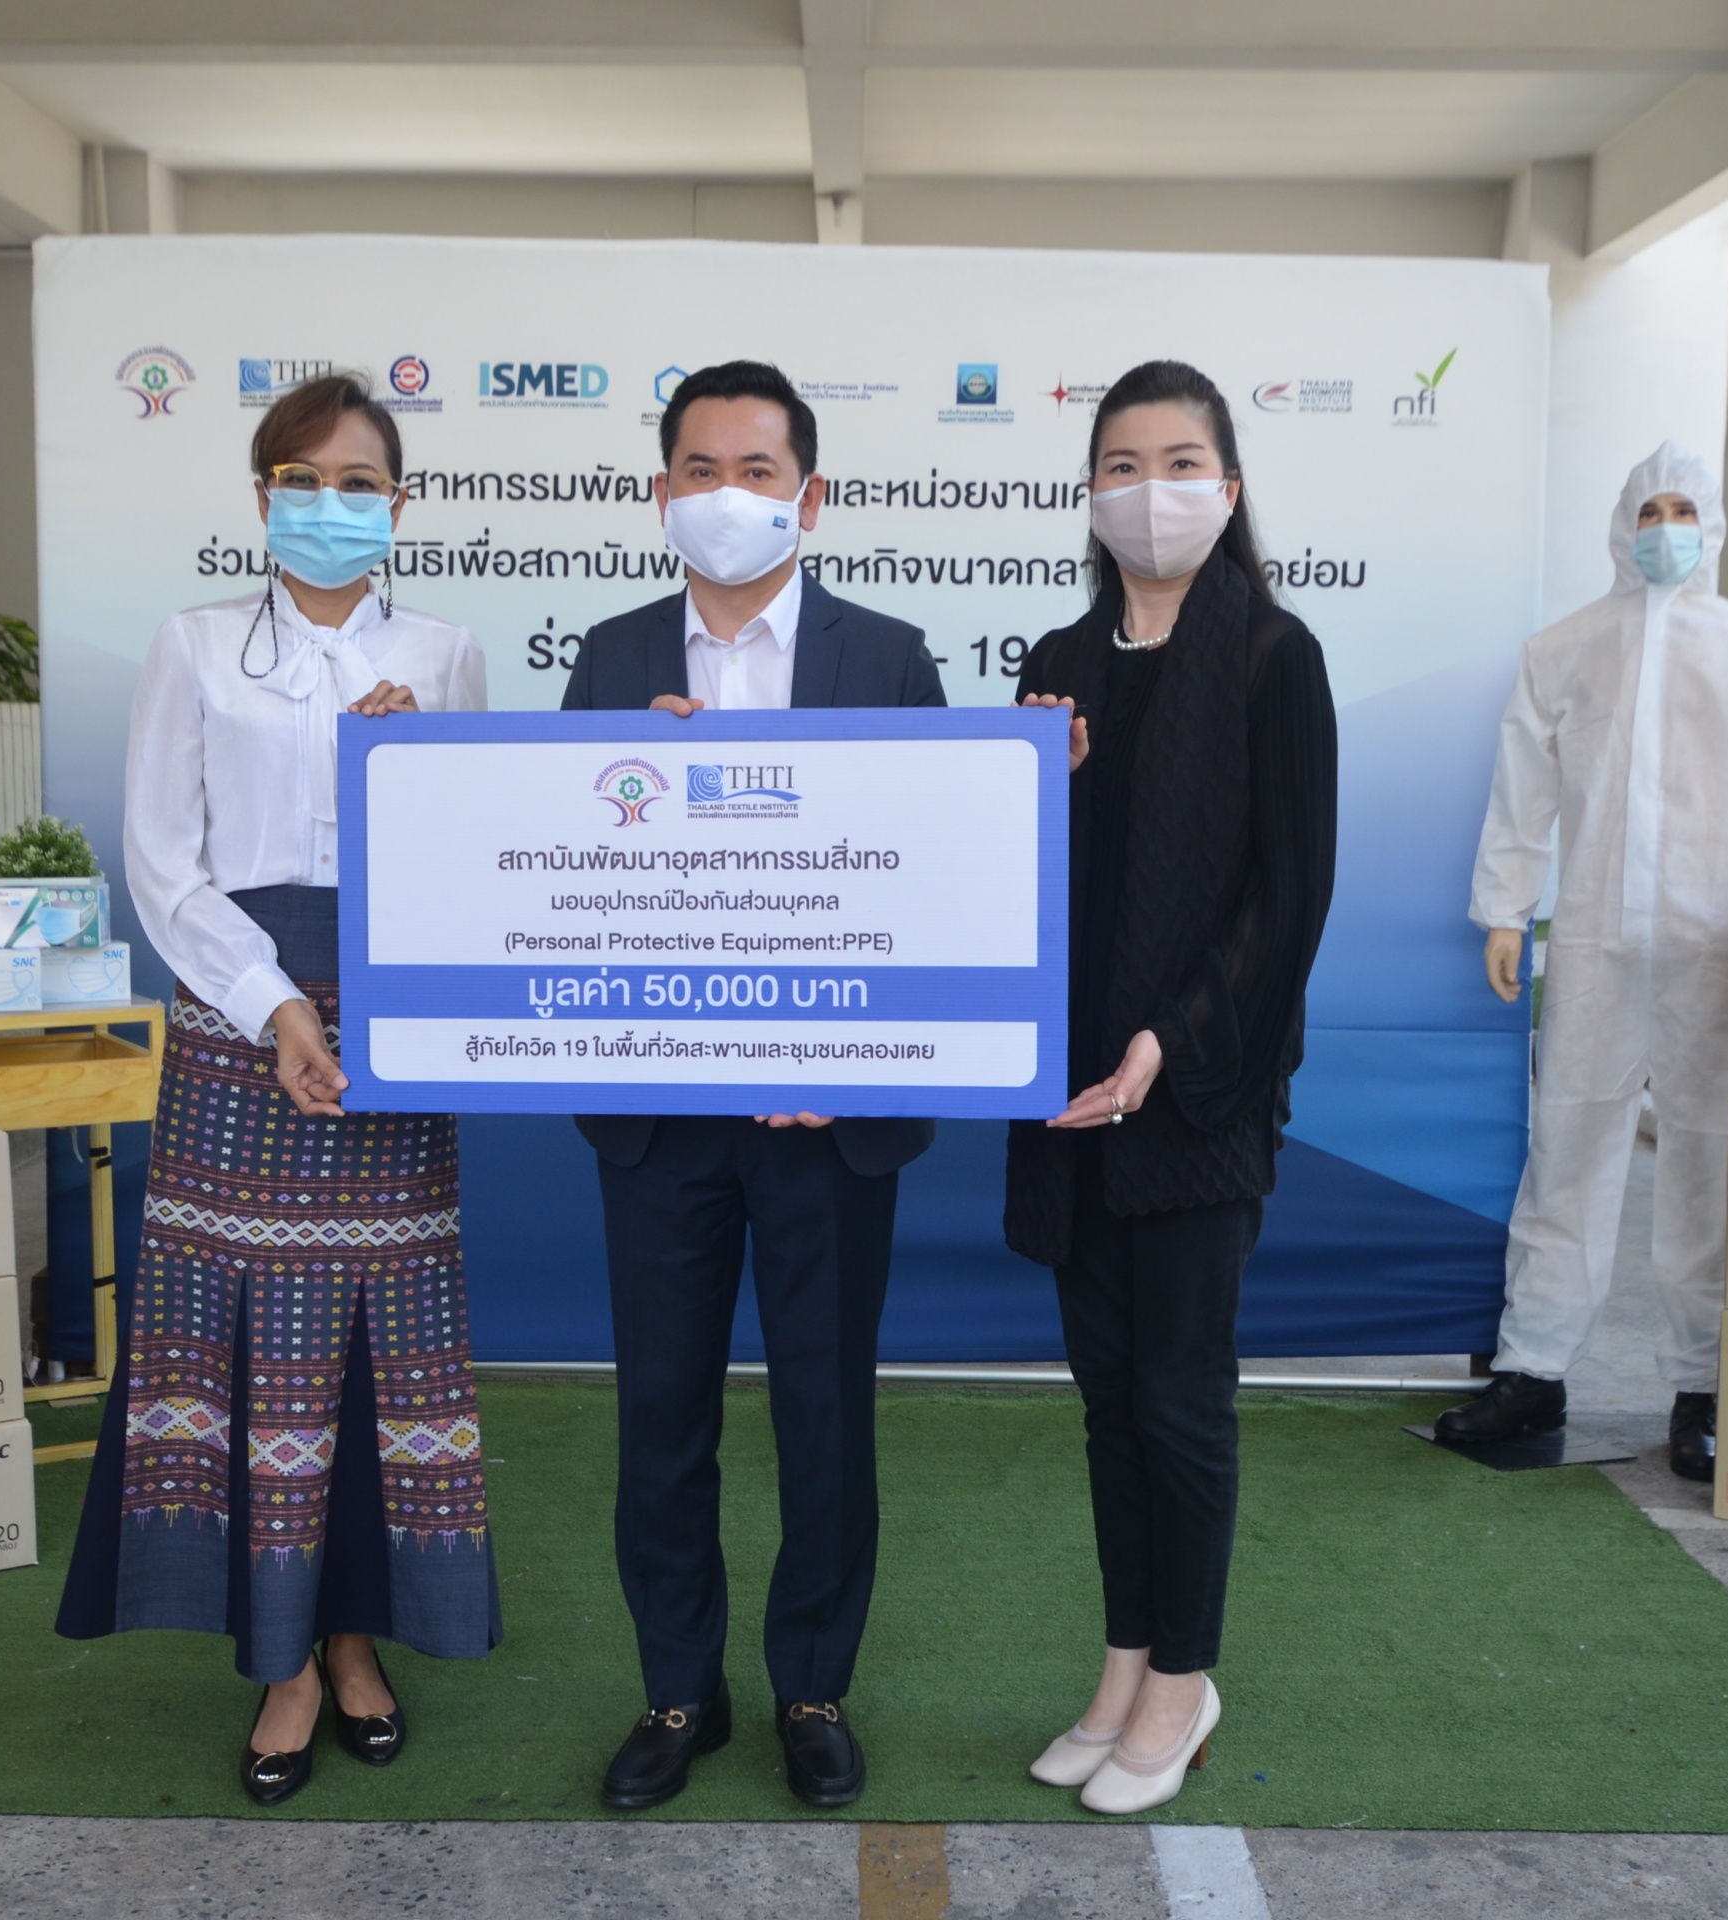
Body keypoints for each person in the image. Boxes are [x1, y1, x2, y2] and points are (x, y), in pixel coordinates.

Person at [56, 372, 500, 1808]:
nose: (329, 504)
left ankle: (356, 1638)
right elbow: (161, 864)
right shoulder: (192, 644)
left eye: (358, 482)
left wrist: (413, 765)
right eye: (302, 480)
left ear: (398, 505)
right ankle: (284, 1663)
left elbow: (474, 858)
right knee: (252, 1348)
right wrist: (279, 1004)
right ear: (262, 496)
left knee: (376, 1351)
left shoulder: (444, 654)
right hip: (240, 1021)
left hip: (393, 1030)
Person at [561, 361, 945, 1811]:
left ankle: (811, 1687)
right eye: (699, 469)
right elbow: (557, 880)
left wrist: (856, 1058)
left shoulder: (888, 657)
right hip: (660, 1122)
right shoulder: (608, 660)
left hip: (825, 1124)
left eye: (757, 470)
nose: (727, 494)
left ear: (810, 496)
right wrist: (627, 791)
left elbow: (929, 881)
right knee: (660, 1417)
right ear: (661, 492)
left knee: (822, 1417)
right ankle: (679, 1691)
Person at [1006, 360, 1337, 1816]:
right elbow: (1014, 878)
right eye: (1123, 465)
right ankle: (1125, 1662)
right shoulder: (1057, 660)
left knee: (1181, 1402)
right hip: (1074, 1103)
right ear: (1091, 492)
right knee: (1106, 1404)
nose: (1152, 491)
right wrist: (1052, 782)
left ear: (1230, 484)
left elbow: (1289, 897)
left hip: (1197, 1099)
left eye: (1181, 462)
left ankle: (1187, 1680)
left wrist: (1169, 1045)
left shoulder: (1274, 655)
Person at [1443, 443, 1728, 1480]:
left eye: (1682, 510)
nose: (1664, 529)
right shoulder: (1565, 649)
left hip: (1721, 948)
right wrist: (1507, 910)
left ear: (1713, 523)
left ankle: (1706, 1388)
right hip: (1598, 946)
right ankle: (1532, 1373)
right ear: (1621, 524)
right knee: (1566, 1152)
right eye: (1648, 510)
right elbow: (1523, 786)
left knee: (1710, 1163)